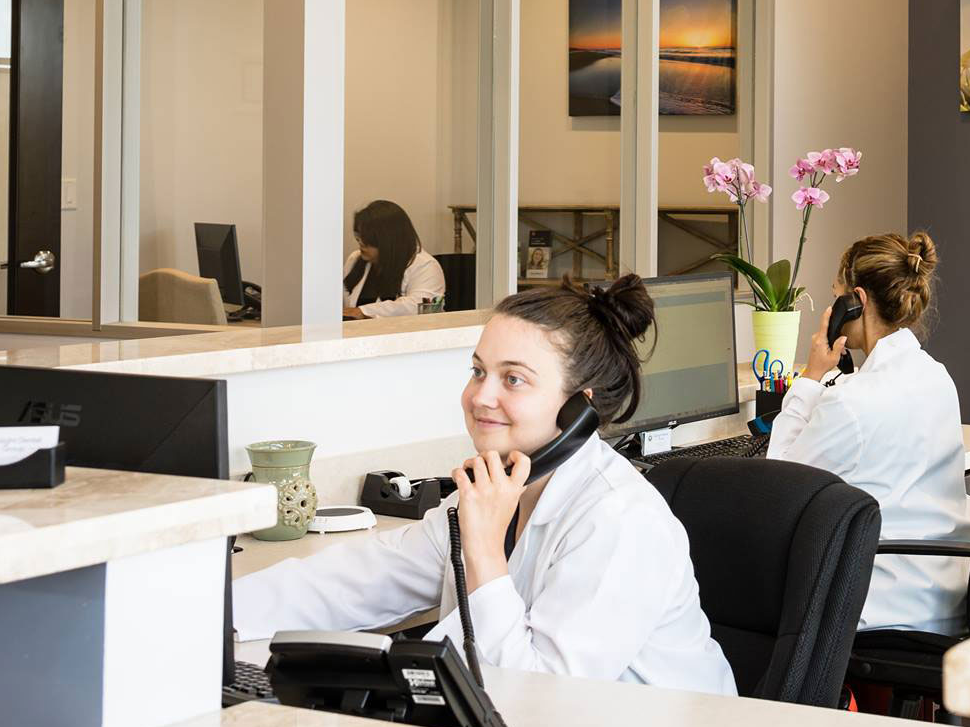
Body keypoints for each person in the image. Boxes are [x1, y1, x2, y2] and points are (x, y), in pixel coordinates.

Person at [234, 274, 736, 694]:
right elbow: (358, 580)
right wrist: (211, 611)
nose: (480, 397)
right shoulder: (492, 492)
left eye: (513, 379)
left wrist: (484, 552)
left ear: (578, 408)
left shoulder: (621, 521)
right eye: (478, 372)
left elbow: (540, 695)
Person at [768, 231, 970, 634]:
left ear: (857, 302)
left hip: (886, 606)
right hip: (949, 589)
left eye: (835, 296)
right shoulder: (935, 375)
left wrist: (811, 375)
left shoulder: (852, 404)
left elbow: (779, 485)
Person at [343, 200, 445, 318]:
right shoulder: (355, 259)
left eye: (367, 238)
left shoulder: (425, 265)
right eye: (358, 237)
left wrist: (364, 311)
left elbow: (425, 307)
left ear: (388, 240)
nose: (361, 243)